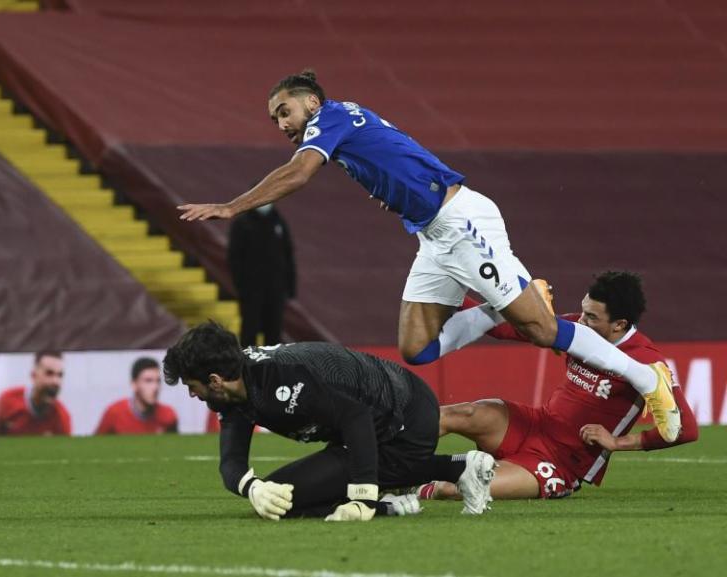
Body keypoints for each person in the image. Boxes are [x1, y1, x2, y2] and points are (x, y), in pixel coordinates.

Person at [177, 69, 680, 443]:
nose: (280, 124)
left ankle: (644, 377)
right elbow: (396, 154)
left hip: (462, 224)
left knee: (541, 330)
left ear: (310, 101)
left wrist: (232, 206)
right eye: (275, 119)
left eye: (284, 112)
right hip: (434, 237)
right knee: (417, 348)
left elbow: (300, 171)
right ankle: (493, 307)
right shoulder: (347, 123)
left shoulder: (328, 119)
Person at [162, 321, 497, 522]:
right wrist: (253, 487)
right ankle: (457, 468)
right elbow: (231, 462)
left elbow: (356, 416)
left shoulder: (281, 382)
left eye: (193, 387)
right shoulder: (238, 390)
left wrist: (364, 499)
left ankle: (388, 504)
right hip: (384, 417)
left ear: (215, 380)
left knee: (293, 501)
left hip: (406, 418)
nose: (194, 396)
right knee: (279, 496)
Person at [420, 271, 698, 500]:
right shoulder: (580, 328)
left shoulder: (645, 361)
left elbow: (686, 429)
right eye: (583, 310)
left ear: (619, 325)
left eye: (592, 317)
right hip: (534, 425)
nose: (580, 320)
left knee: (456, 488)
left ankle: (415, 481)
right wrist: (447, 290)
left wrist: (618, 442)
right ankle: (388, 466)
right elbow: (504, 328)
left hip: (561, 462)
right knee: (456, 414)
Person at [228, 202, 296, 346]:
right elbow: (234, 257)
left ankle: (272, 366)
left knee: (274, 330)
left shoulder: (278, 221)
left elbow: (288, 254)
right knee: (249, 329)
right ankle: (248, 366)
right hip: (251, 288)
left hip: (276, 288)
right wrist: (240, 285)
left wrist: (290, 286)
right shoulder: (242, 224)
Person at [0, 351, 71, 436]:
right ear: (33, 375)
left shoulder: (62, 418)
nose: (56, 382)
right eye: (49, 373)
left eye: (60, 375)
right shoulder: (7, 401)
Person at [95, 357, 178, 435]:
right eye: (148, 381)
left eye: (158, 381)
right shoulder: (115, 413)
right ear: (134, 384)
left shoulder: (168, 416)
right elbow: (95, 446)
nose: (155, 387)